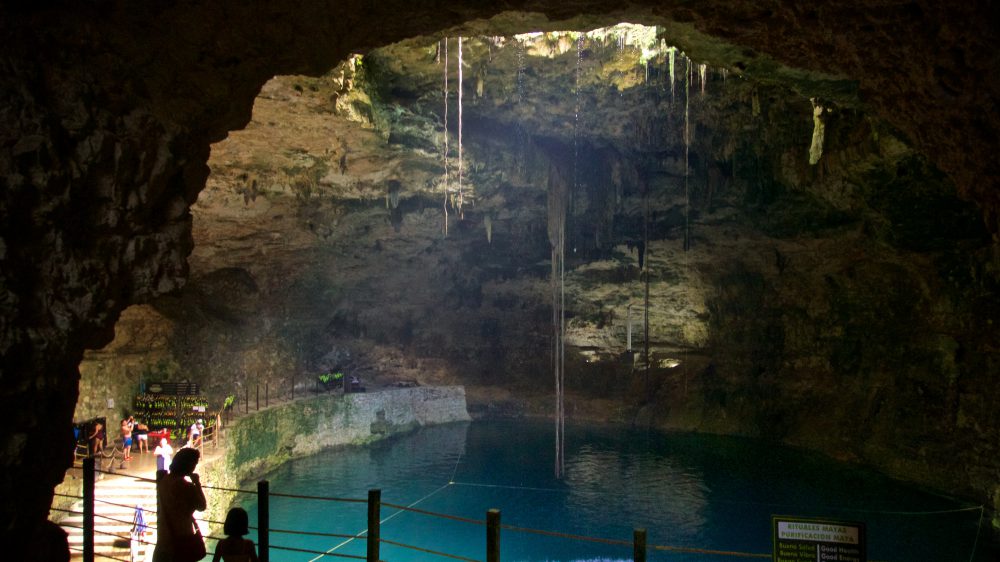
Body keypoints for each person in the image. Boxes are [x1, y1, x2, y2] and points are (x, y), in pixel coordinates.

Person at [152, 448, 207, 562]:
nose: (194, 467)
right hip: (182, 537)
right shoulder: (186, 487)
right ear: (188, 464)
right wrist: (197, 482)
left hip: (164, 538)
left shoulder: (164, 480)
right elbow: (202, 506)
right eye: (194, 463)